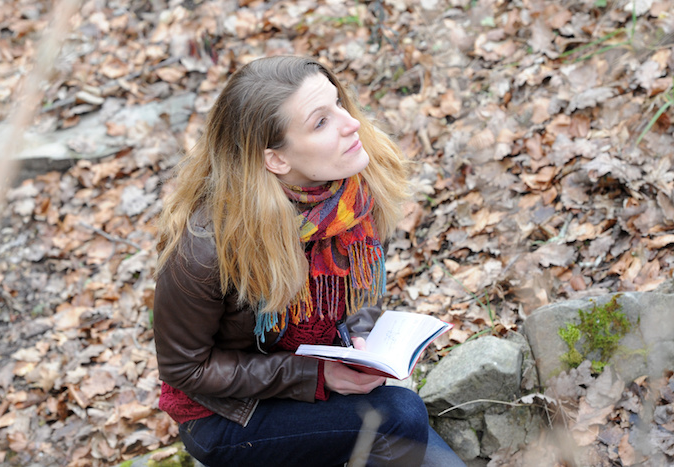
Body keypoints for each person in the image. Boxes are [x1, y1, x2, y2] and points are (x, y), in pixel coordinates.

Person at [153, 55, 465, 466]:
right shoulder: (207, 249)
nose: (350, 122)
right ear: (276, 159)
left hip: (322, 377)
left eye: (339, 103)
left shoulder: (349, 194)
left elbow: (357, 292)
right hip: (231, 413)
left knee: (416, 436)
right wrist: (315, 375)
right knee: (400, 415)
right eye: (321, 122)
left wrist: (362, 339)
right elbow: (185, 370)